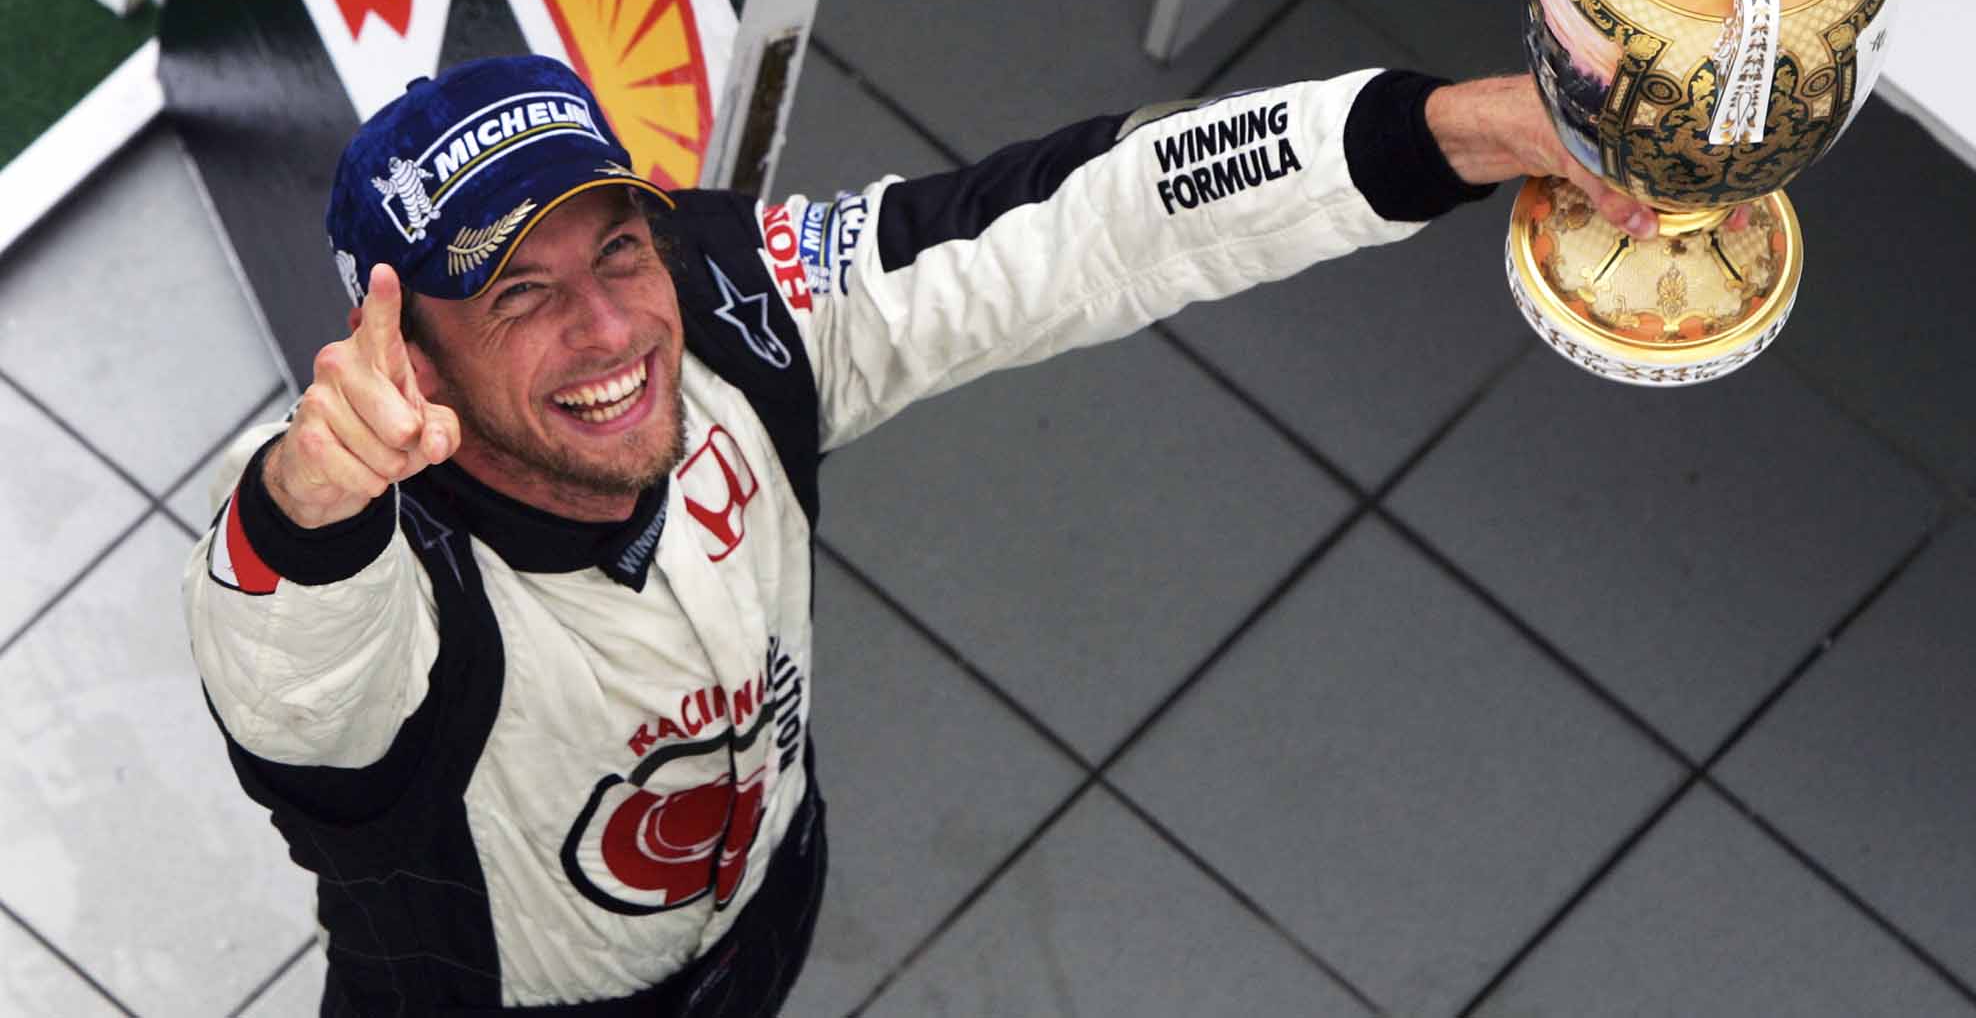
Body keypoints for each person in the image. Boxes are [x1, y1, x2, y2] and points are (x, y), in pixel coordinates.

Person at [182, 53, 1654, 1015]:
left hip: (767, 913)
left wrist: (1457, 131)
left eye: (618, 244)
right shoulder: (376, 562)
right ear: (413, 359)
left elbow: (1094, 221)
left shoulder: (741, 312)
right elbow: (286, 650)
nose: (611, 327)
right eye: (519, 294)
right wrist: (314, 489)